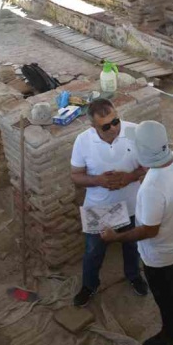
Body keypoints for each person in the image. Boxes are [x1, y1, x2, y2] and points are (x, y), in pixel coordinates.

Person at [101, 121, 173, 345]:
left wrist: (116, 237)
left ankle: (172, 333)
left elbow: (148, 230)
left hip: (160, 253)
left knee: (165, 294)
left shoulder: (152, 188)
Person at [70, 99, 149, 307]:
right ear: (93, 126)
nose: (114, 128)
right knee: (94, 250)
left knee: (132, 245)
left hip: (132, 203)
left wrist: (129, 178)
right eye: (106, 126)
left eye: (116, 121)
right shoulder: (83, 141)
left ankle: (134, 276)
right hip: (100, 207)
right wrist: (98, 181)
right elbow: (76, 176)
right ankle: (89, 285)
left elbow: (148, 166)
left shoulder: (133, 131)